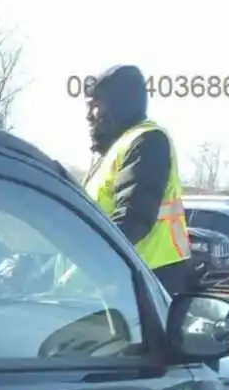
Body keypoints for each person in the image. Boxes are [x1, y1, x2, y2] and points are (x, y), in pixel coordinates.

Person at [83, 65, 193, 298]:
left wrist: (87, 258)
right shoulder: (117, 149)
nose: (89, 115)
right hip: (126, 275)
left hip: (146, 280)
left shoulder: (146, 141)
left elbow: (133, 219)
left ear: (117, 106)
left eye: (96, 104)